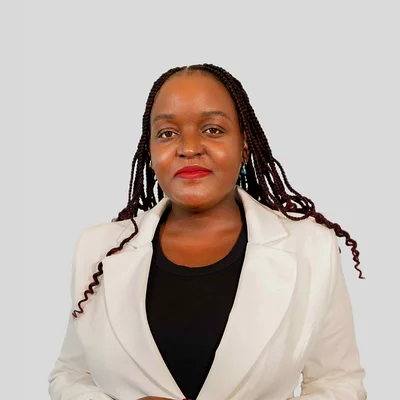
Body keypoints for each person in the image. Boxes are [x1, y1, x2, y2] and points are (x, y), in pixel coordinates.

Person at [48, 63, 367, 400]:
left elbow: (339, 382)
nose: (189, 148)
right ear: (149, 152)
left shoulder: (311, 249)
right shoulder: (97, 249)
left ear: (245, 145)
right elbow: (70, 375)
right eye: (167, 133)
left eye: (213, 129)